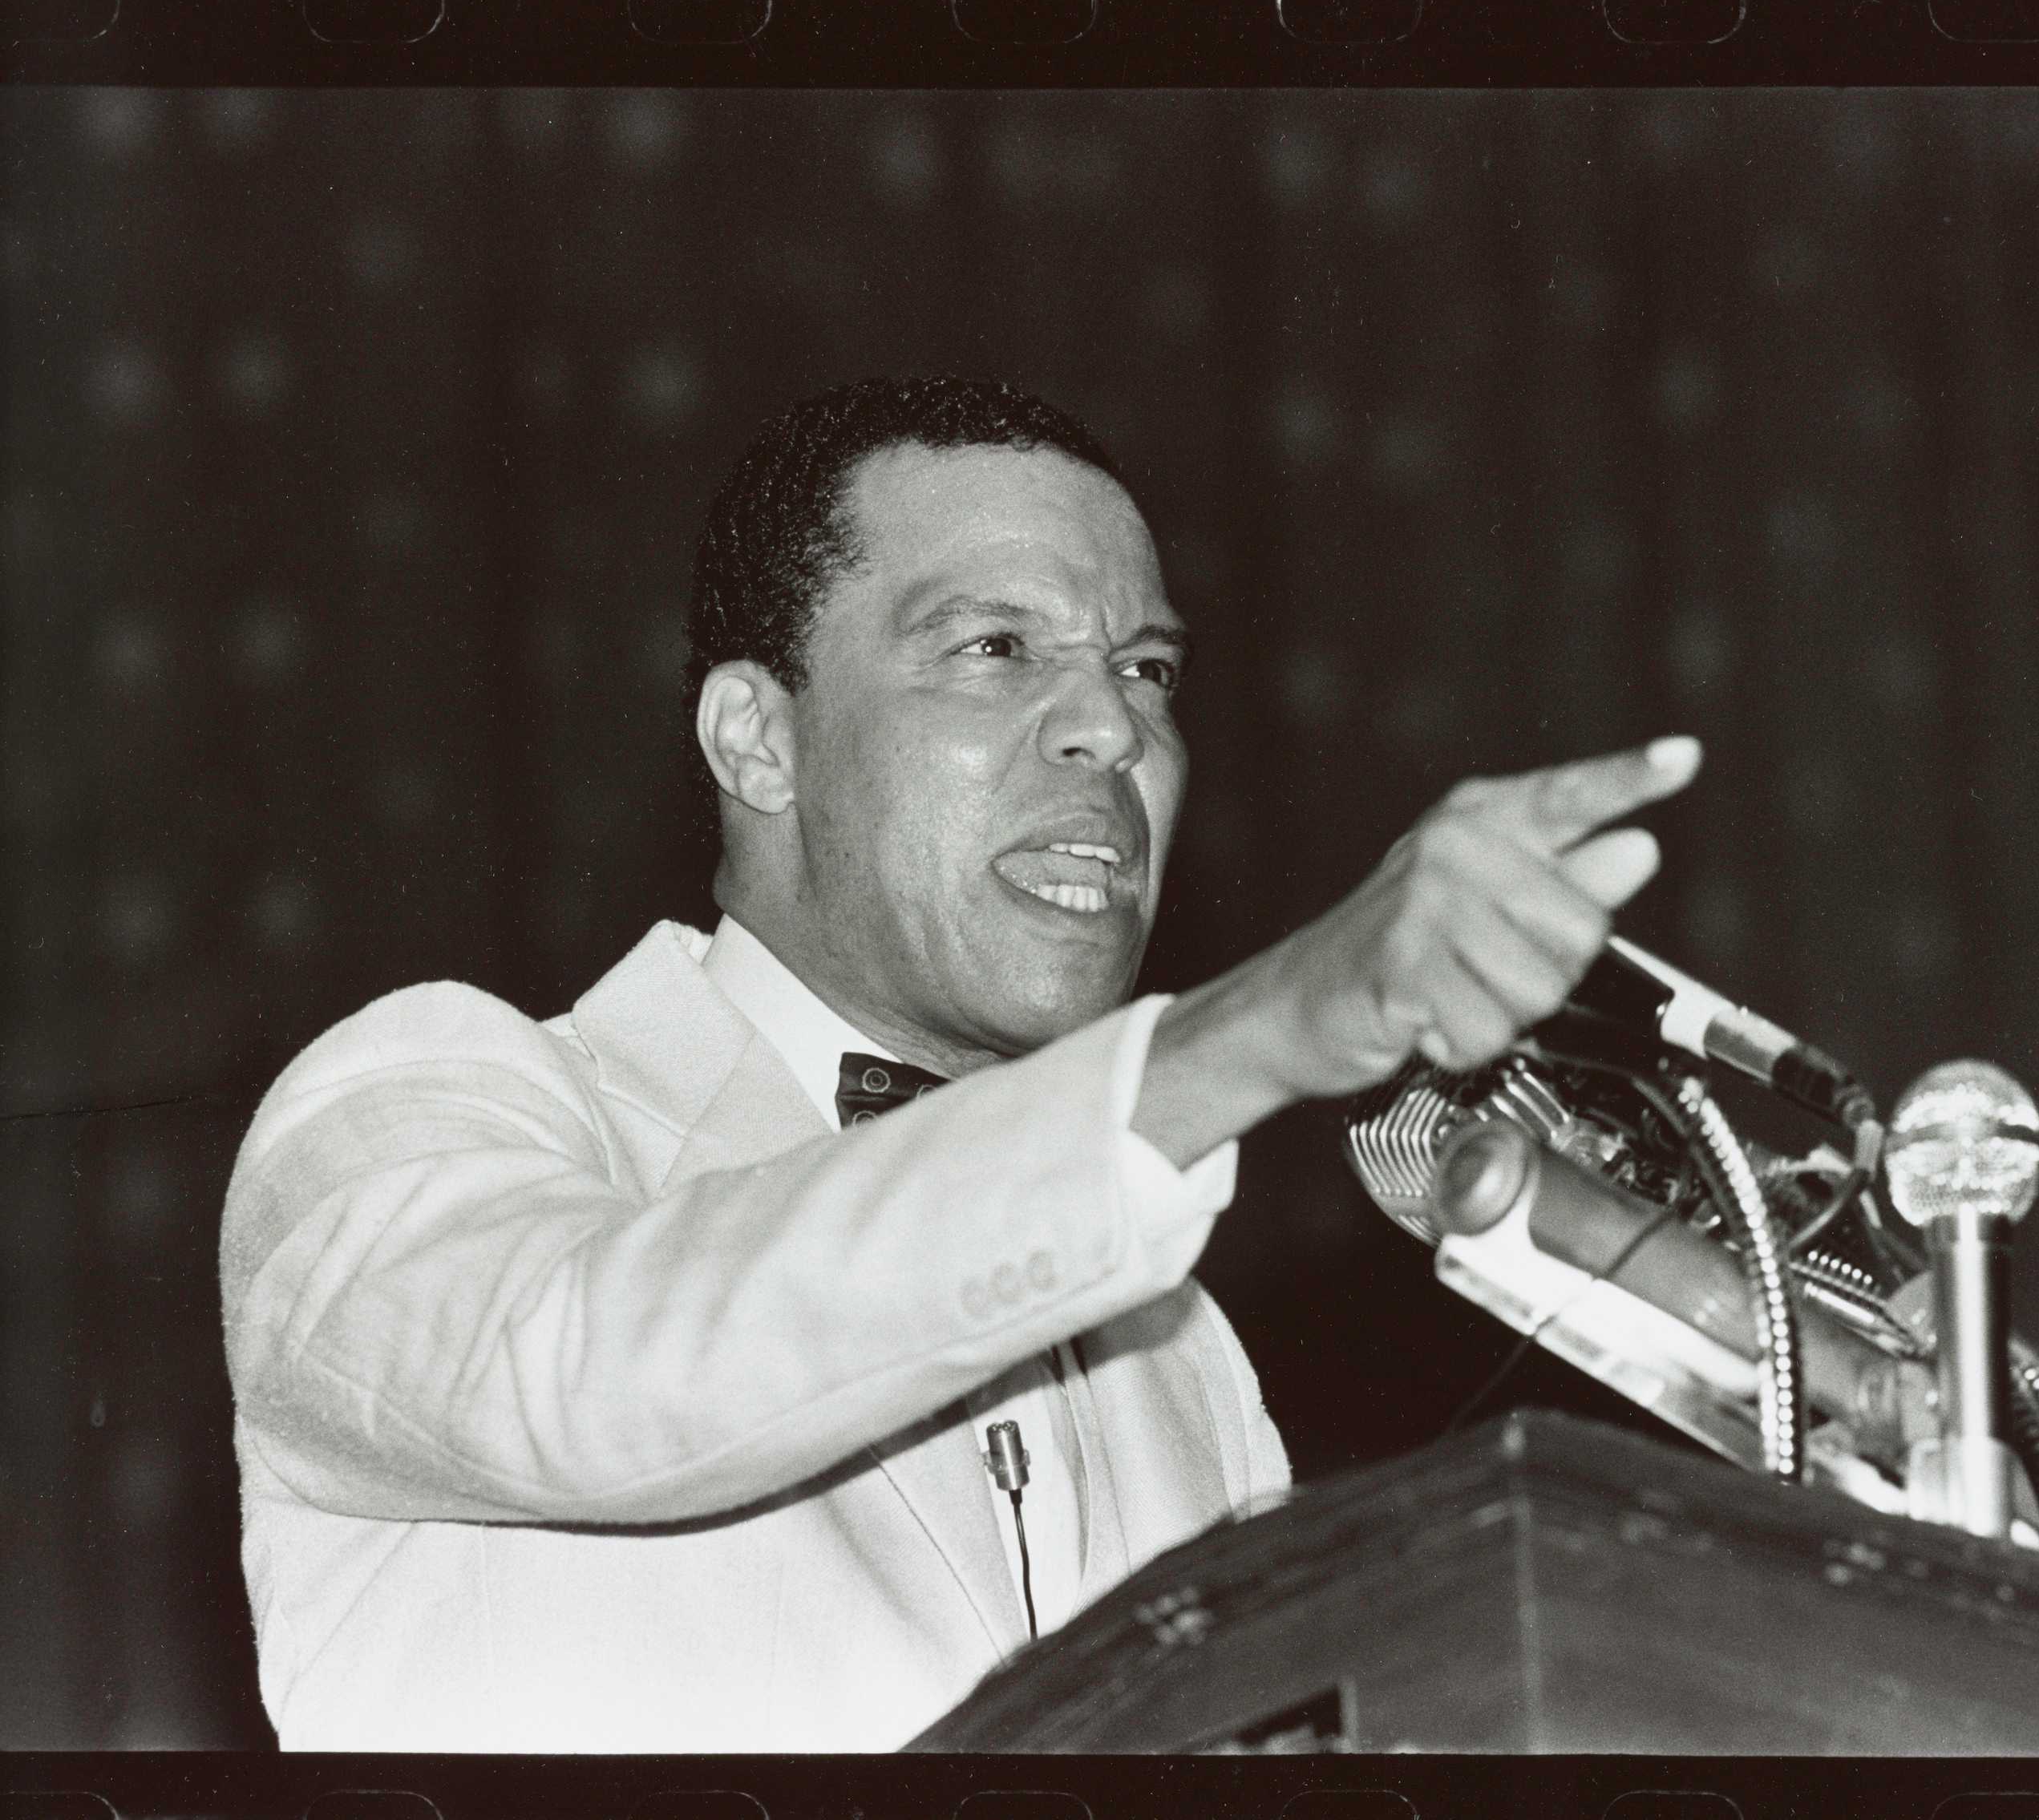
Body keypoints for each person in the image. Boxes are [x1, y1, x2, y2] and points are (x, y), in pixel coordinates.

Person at [219, 374, 1701, 1751]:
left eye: (1149, 667)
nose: (1117, 727)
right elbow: (587, 1370)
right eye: (996, 649)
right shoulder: (432, 1100)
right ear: (757, 741)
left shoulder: (1176, 1352)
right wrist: (1257, 1030)